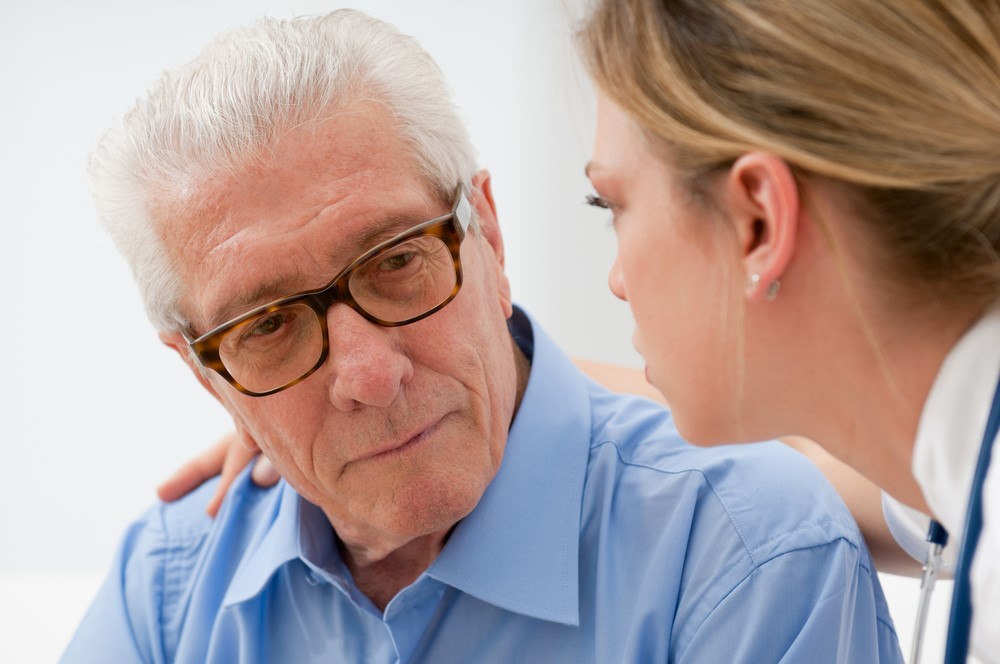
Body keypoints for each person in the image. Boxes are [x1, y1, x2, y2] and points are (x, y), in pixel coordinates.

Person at [62, 10, 905, 663]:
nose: (367, 375)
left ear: (490, 238)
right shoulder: (174, 578)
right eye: (269, 326)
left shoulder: (743, 550)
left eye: (397, 262)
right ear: (206, 373)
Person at [577, 0, 1000, 661]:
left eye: (613, 205)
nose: (617, 281)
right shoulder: (949, 452)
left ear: (759, 224)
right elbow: (803, 458)